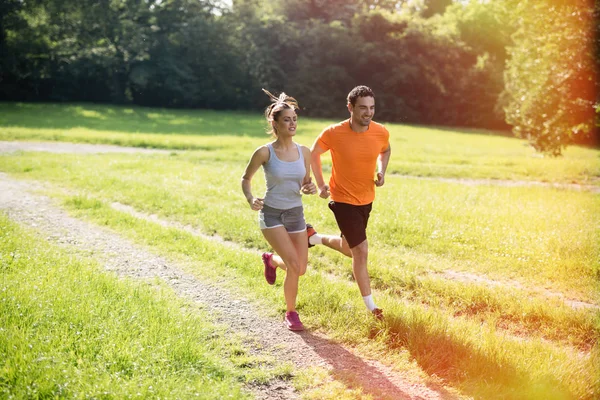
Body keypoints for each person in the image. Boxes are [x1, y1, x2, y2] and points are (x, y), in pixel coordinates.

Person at [309, 85, 391, 319]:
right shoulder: (333, 133)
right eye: (363, 108)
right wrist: (321, 184)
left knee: (350, 249)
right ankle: (372, 307)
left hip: (366, 199)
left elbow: (385, 151)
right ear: (350, 108)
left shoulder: (381, 132)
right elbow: (314, 153)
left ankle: (314, 237)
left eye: (372, 108)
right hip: (342, 199)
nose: (368, 113)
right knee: (361, 251)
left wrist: (381, 171)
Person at [241, 89, 317, 331]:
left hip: (295, 214)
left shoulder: (304, 152)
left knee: (300, 268)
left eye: (295, 119)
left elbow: (306, 181)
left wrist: (310, 187)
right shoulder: (265, 152)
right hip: (272, 214)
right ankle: (291, 313)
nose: (293, 123)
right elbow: (246, 178)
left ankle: (271, 260)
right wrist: (251, 198)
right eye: (287, 119)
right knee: (294, 266)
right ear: (275, 123)